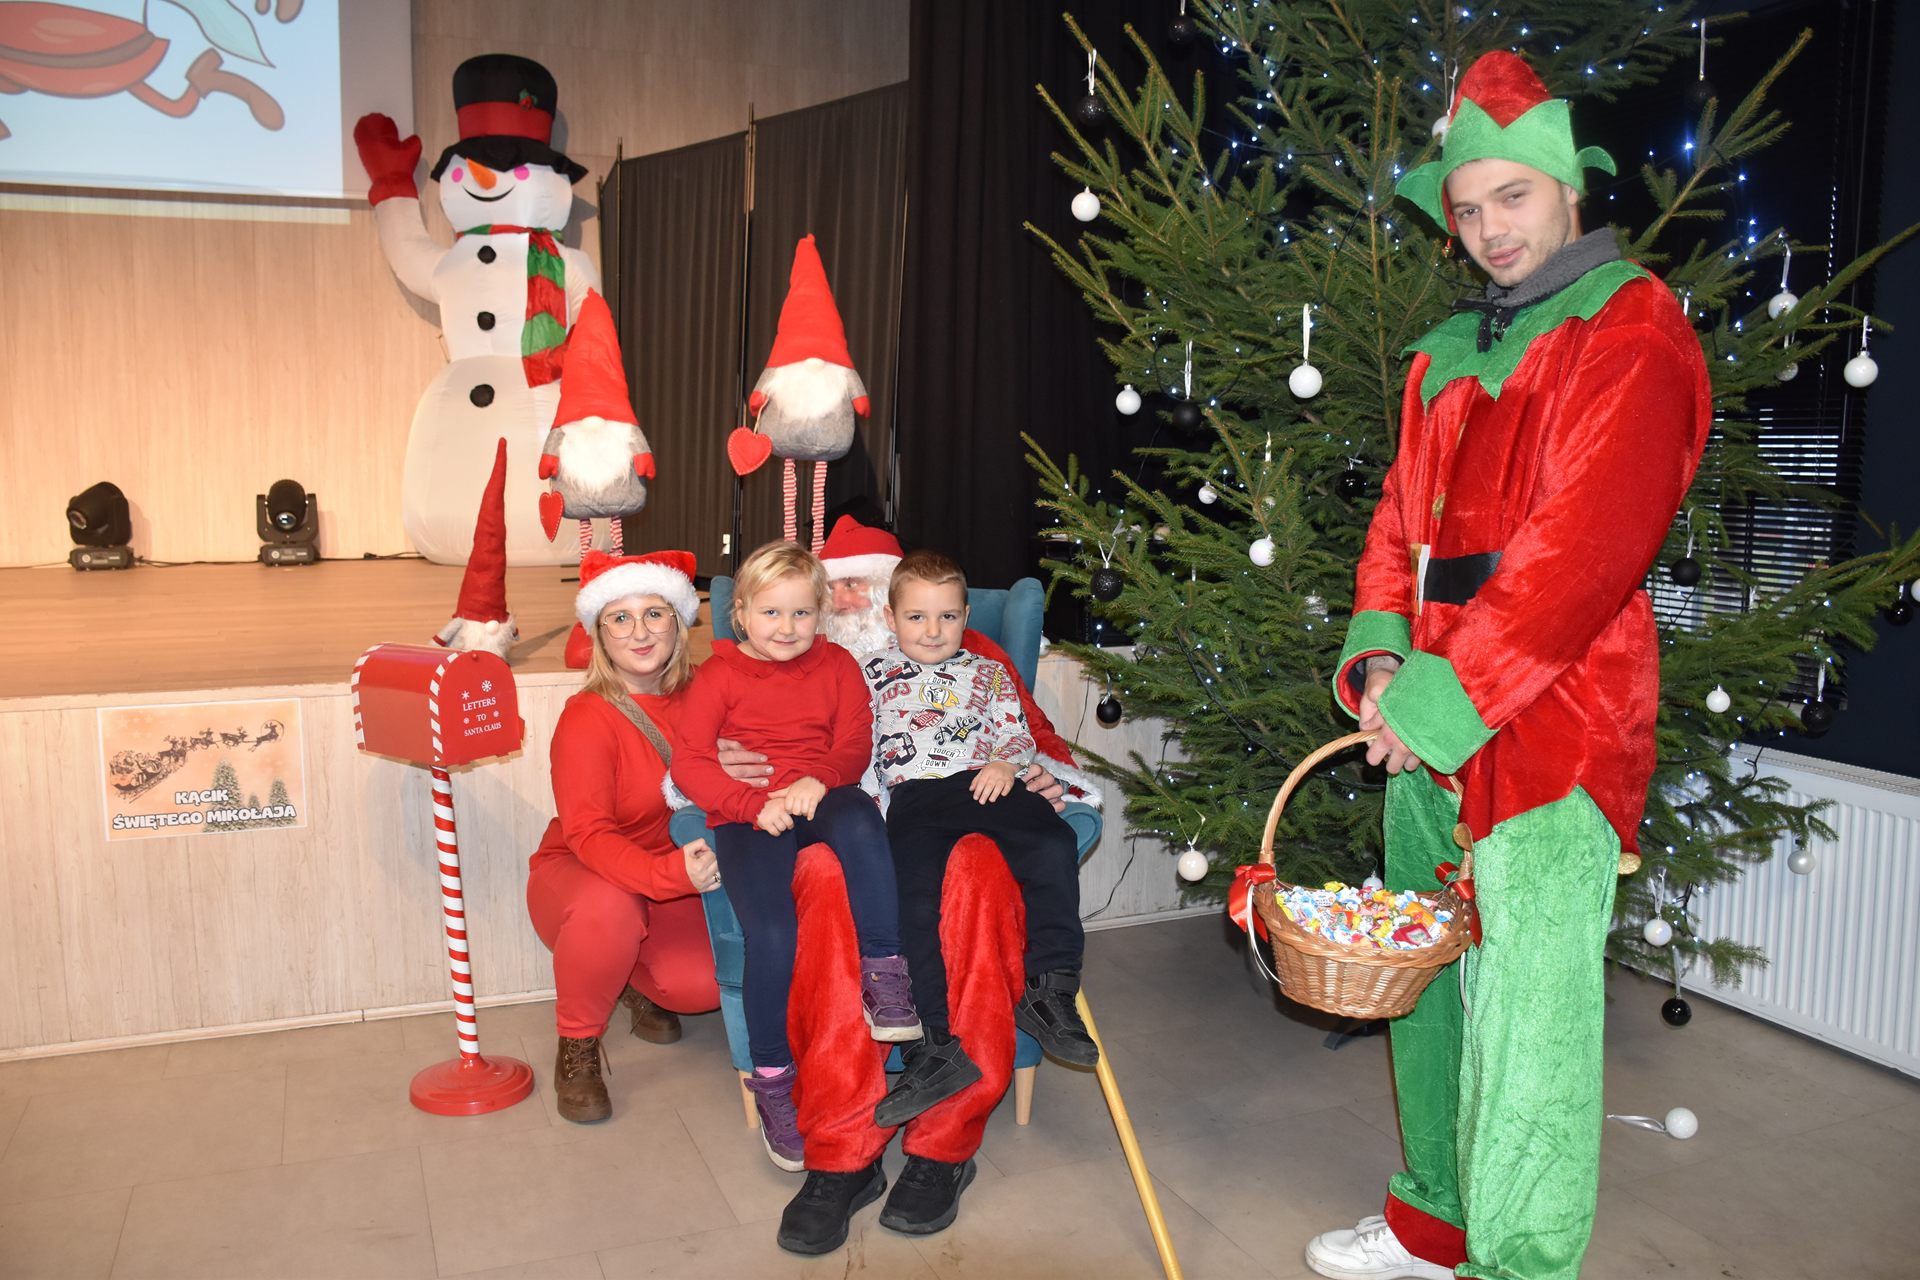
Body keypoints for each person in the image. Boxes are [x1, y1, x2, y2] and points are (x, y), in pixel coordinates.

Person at [1307, 52, 1711, 1280]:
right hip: (1424, 725)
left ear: (1568, 188)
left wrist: (1432, 705)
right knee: (1428, 988)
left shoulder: (1632, 327)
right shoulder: (1443, 353)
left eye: (1512, 198)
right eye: (1468, 208)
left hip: (1555, 728)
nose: (1488, 229)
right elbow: (1397, 525)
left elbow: (1578, 556)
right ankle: (1435, 1221)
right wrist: (1380, 662)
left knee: (1530, 1023)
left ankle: (1518, 1262)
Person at [670, 539, 922, 1172]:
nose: (787, 628)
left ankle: (884, 972)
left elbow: (856, 742)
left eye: (801, 613)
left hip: (820, 797)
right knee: (773, 935)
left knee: (860, 817)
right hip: (750, 817)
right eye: (771, 612)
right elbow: (690, 763)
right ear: (742, 614)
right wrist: (750, 804)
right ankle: (773, 1081)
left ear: (820, 613)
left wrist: (820, 779)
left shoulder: (837, 664)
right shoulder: (718, 675)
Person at [863, 550, 1097, 1132]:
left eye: (947, 616)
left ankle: (1049, 989)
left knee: (1051, 843)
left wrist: (1005, 764)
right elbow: (857, 747)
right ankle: (936, 1045)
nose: (932, 630)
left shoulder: (988, 672)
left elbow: (1018, 735)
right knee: (912, 901)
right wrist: (869, 805)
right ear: (890, 618)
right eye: (916, 617)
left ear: (965, 617)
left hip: (983, 783)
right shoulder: (868, 673)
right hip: (914, 796)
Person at [525, 548, 723, 1124]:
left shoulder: (711, 693)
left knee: (699, 989)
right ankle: (578, 1043)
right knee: (611, 909)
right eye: (620, 618)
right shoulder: (587, 716)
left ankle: (627, 976)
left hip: (675, 874)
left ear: (679, 623)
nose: (640, 632)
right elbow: (588, 835)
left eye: (654, 613)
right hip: (586, 875)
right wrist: (667, 875)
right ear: (599, 633)